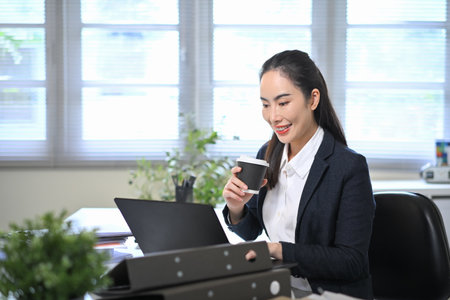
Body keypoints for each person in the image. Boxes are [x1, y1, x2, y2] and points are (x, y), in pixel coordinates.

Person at [222, 50, 375, 299]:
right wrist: (237, 208)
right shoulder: (268, 154)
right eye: (265, 105)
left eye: (283, 103)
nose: (273, 117)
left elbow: (351, 261)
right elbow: (251, 231)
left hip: (329, 294)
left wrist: (277, 250)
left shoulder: (348, 167)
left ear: (312, 99)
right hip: (278, 288)